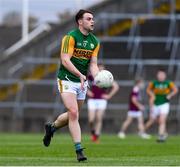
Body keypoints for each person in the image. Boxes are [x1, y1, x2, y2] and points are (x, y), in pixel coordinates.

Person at [43, 9, 100, 162]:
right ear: (80, 22)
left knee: (72, 115)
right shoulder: (70, 37)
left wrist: (99, 76)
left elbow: (93, 65)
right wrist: (80, 75)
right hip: (67, 78)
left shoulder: (95, 41)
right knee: (74, 112)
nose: (92, 21)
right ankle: (79, 150)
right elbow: (65, 60)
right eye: (88, 19)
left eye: (92, 18)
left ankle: (52, 127)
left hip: (81, 82)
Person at [87, 63, 119, 143]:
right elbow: (83, 83)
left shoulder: (106, 77)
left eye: (102, 68)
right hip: (92, 100)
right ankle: (93, 132)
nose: (100, 69)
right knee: (91, 120)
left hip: (101, 100)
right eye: (99, 68)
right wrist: (88, 92)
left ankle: (96, 136)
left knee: (99, 118)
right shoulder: (92, 76)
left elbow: (116, 86)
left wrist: (109, 96)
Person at [145, 69, 178, 142]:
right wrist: (152, 95)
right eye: (159, 75)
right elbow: (148, 90)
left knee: (162, 119)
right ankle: (164, 133)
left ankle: (160, 136)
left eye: (162, 75)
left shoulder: (168, 83)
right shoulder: (153, 83)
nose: (161, 76)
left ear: (165, 76)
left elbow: (175, 90)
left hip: (164, 103)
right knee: (156, 120)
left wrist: (170, 95)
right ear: (157, 75)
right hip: (156, 104)